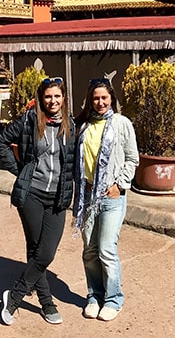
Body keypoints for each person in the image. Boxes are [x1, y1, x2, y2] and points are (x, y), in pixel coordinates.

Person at [0, 77, 76, 326]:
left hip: (58, 197)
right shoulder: (30, 120)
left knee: (45, 253)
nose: (53, 101)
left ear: (64, 98)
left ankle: (14, 295)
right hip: (32, 194)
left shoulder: (71, 125)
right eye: (48, 96)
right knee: (36, 248)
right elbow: (1, 142)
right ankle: (46, 303)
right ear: (42, 99)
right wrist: (20, 170)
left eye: (57, 96)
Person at [73, 78, 138, 322]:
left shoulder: (122, 124)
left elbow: (132, 158)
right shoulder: (84, 126)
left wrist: (119, 185)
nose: (100, 102)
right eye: (96, 98)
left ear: (111, 98)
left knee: (106, 249)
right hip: (87, 195)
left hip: (111, 197)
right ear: (90, 100)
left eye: (104, 97)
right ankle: (94, 296)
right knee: (89, 250)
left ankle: (113, 299)